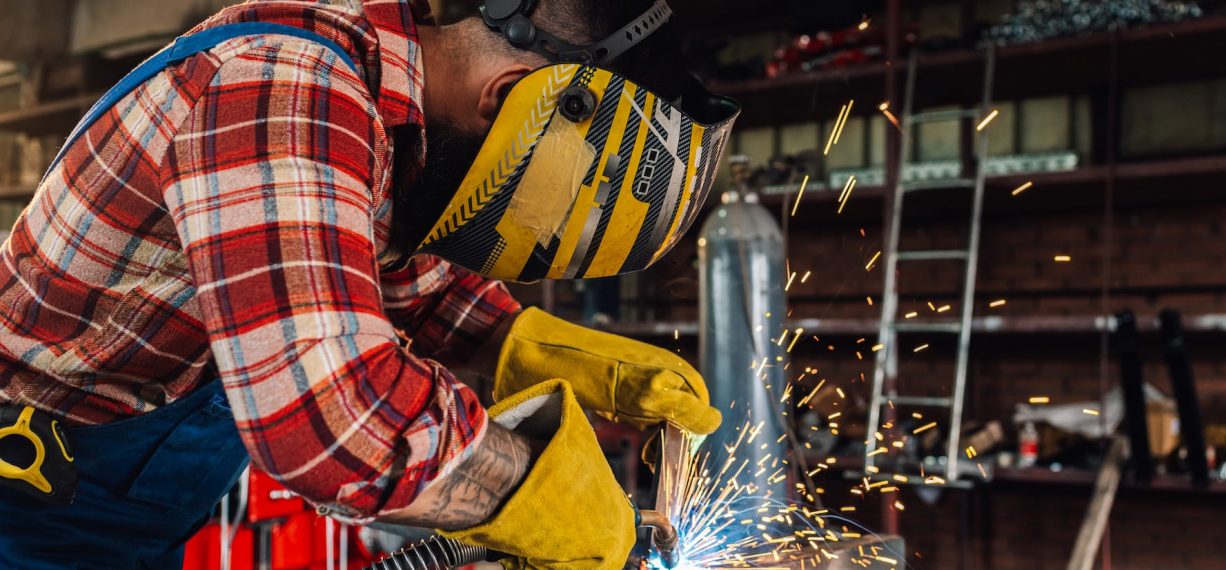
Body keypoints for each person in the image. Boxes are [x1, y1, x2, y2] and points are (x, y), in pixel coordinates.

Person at [0, 0, 738, 568]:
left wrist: (525, 344)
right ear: (507, 96)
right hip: (26, 502)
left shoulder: (376, 114)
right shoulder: (284, 88)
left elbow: (402, 282)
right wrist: (535, 487)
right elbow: (330, 420)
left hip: (107, 512)